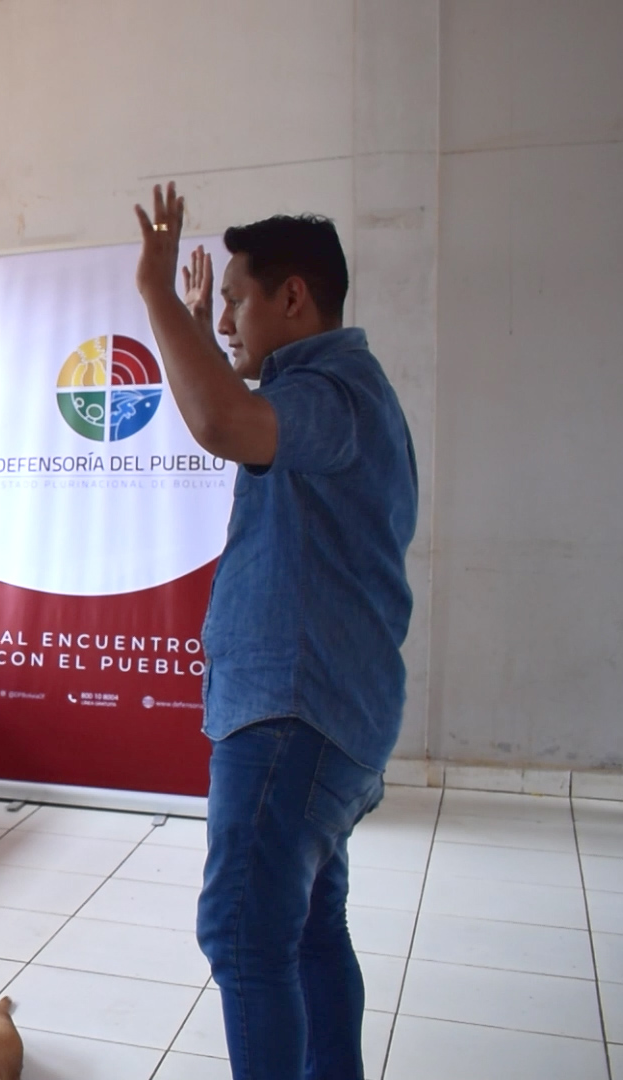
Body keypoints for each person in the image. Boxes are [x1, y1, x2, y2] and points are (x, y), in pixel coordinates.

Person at [133, 185, 417, 1080]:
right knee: (306, 930)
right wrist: (182, 314)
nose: (224, 322)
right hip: (324, 713)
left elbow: (220, 420)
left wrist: (153, 294)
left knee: (245, 937)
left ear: (293, 298)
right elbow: (224, 408)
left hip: (298, 715)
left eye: (234, 300)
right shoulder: (334, 391)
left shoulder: (334, 392)